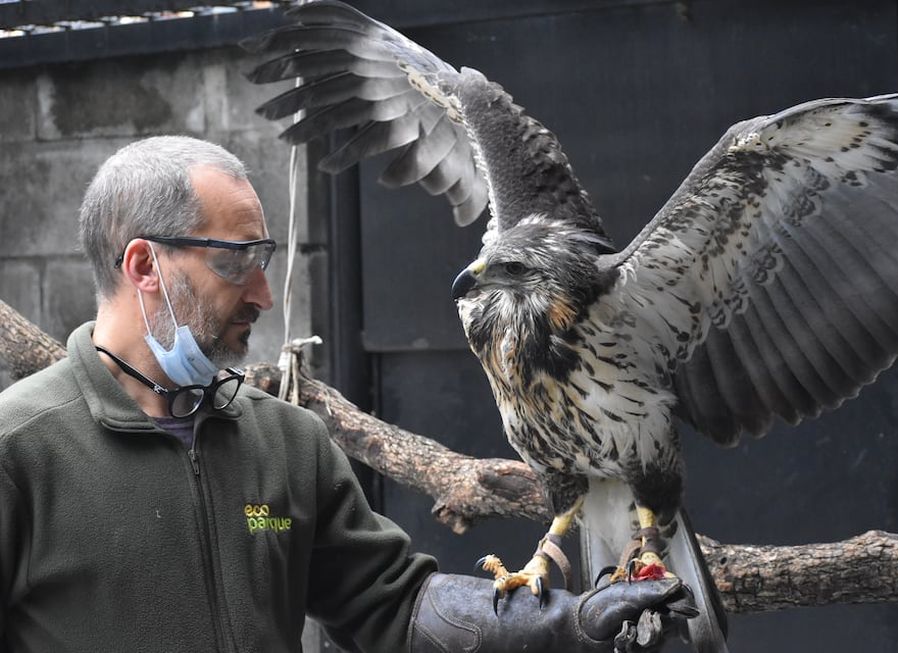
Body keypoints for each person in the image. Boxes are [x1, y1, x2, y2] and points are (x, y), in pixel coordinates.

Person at [0, 136, 694, 652]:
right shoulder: (20, 452)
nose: (264, 294)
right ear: (144, 264)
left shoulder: (286, 443)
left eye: (265, 260)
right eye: (237, 261)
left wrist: (567, 624)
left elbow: (395, 608)